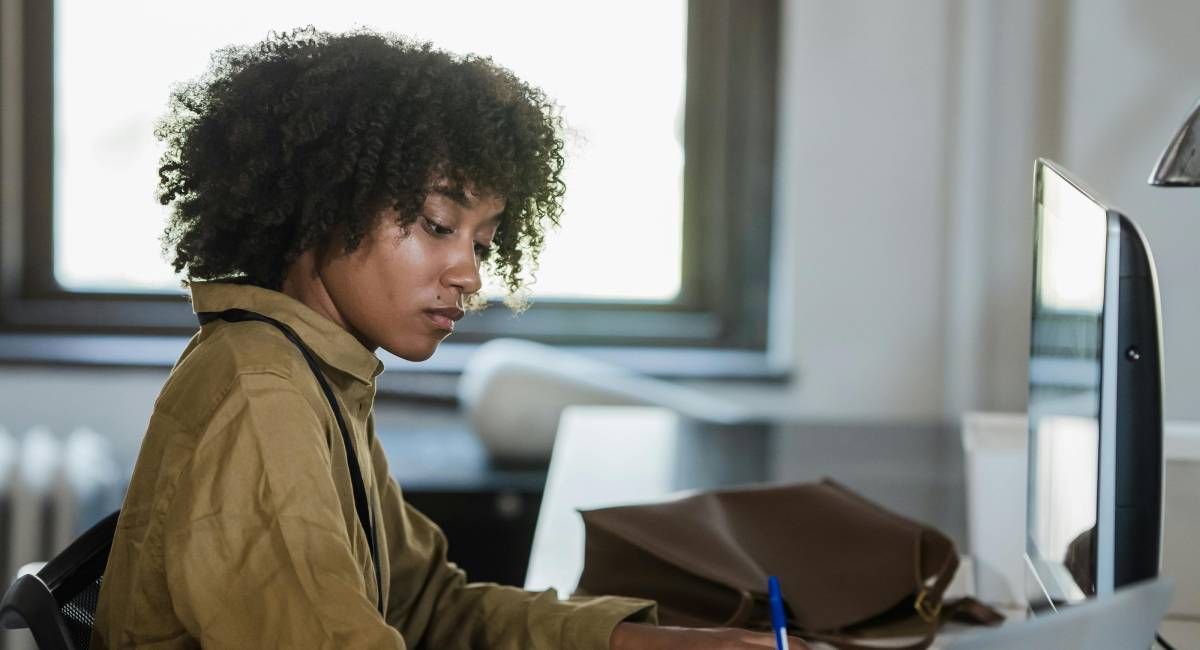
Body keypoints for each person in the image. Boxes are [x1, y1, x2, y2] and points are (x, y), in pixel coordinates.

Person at [92, 28, 807, 649]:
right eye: (438, 226)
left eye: (484, 243)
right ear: (328, 207)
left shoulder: (316, 374)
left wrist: (647, 641)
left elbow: (430, 609)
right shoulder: (263, 399)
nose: (469, 274)